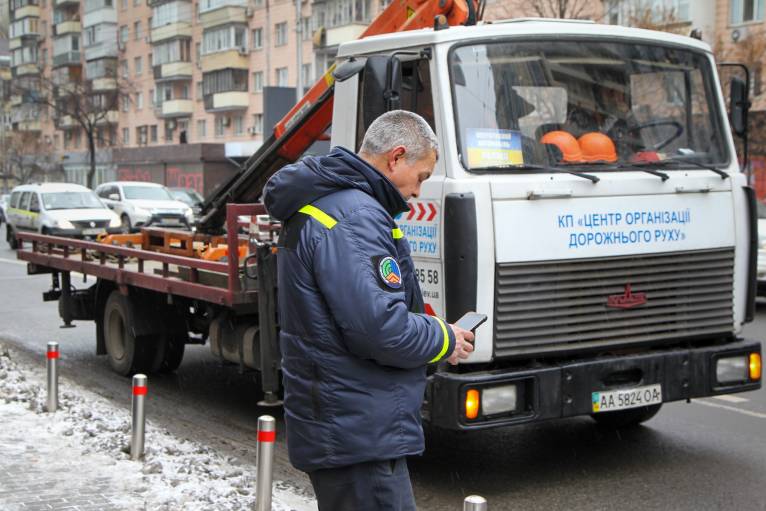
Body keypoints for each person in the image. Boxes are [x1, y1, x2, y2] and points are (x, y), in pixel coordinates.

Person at [263, 110, 475, 511]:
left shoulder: (334, 203)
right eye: (422, 176)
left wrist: (430, 326)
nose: (417, 192)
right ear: (396, 158)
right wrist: (445, 338)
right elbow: (381, 330)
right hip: (357, 429)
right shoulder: (356, 215)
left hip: (346, 421)